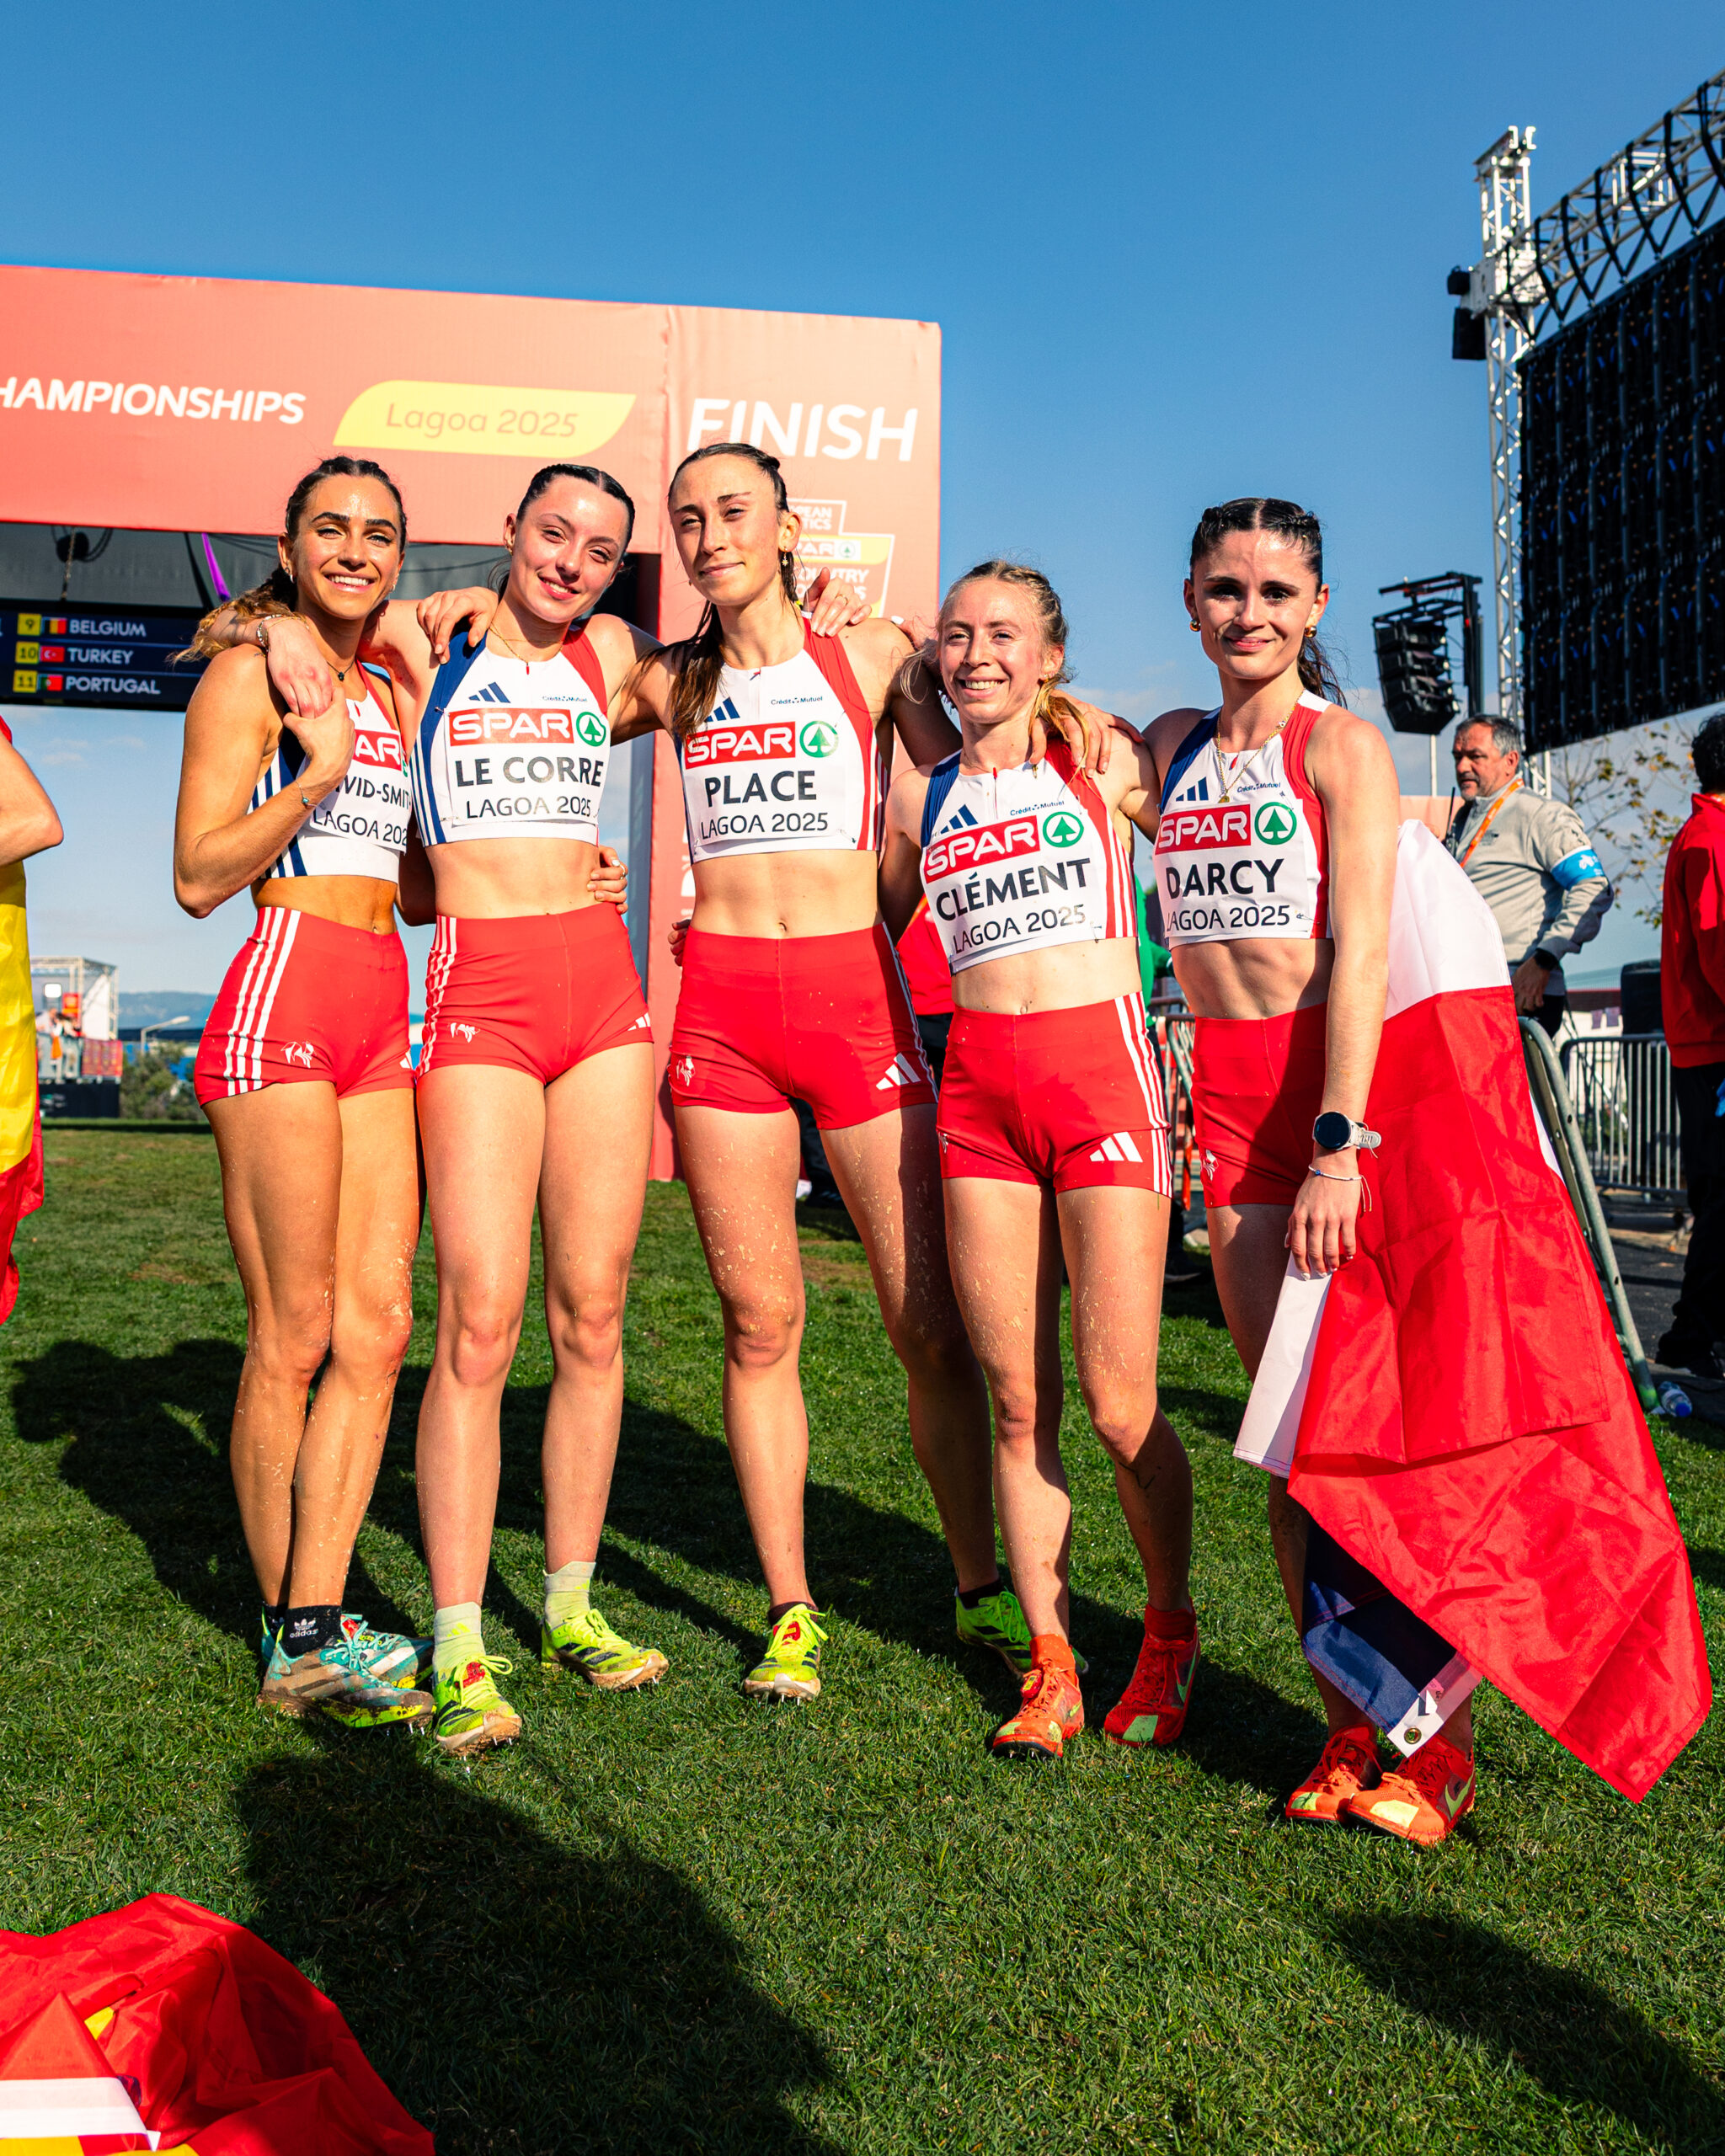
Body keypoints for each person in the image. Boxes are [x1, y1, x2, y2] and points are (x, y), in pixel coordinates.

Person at [233, 460, 866, 1753]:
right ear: (512, 531)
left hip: (604, 1001)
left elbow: (766, 662)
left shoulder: (619, 656)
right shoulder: (425, 642)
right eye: (552, 534)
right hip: (482, 996)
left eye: (600, 549)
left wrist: (838, 609)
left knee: (594, 1312)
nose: (571, 561)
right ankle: (461, 1640)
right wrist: (278, 628)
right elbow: (280, 615)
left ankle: (571, 1607)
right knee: (479, 1321)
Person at [1142, 495, 1477, 1844]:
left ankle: (1437, 1752)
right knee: (1289, 1448)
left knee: (1365, 1442)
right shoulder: (1165, 744)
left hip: (1333, 1113)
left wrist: (1342, 1143)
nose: (1251, 614)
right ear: (1190, 602)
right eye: (1226, 590)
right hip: (1226, 1115)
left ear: (1317, 607)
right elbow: (1000, 712)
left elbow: (1363, 949)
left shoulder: (1342, 746)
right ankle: (1348, 1728)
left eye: (1277, 593)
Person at [880, 561, 1195, 1761]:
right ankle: (1052, 1663)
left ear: (1051, 656)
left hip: (1102, 1082)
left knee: (1119, 1405)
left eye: (1005, 634)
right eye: (956, 635)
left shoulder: (1099, 752)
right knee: (1018, 1403)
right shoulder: (927, 790)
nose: (977, 654)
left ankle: (1168, 1628)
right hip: (980, 1102)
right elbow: (865, 917)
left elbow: (1208, 833)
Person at [173, 456, 435, 1732]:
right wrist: (315, 775)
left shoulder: (383, 682)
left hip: (384, 1006)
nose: (354, 550)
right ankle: (293, 1642)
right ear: (288, 546)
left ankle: (320, 1618)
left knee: (378, 1329)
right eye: (329, 528)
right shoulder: (247, 678)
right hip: (282, 996)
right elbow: (195, 875)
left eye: (378, 533)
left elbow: (411, 884)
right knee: (295, 1330)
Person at [1445, 716, 1612, 1037]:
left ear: (1510, 761)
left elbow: (1594, 886)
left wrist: (1544, 959)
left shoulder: (1539, 815)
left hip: (1521, 995)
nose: (1463, 766)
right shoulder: (1464, 819)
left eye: (1475, 756)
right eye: (1457, 757)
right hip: (1470, 992)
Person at [1656, 712, 1725, 1382]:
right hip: (1714, 1047)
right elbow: (1720, 947)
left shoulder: (1704, 833)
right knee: (1722, 1201)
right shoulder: (1713, 838)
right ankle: (1691, 1337)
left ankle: (1699, 1334)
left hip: (1705, 1045)